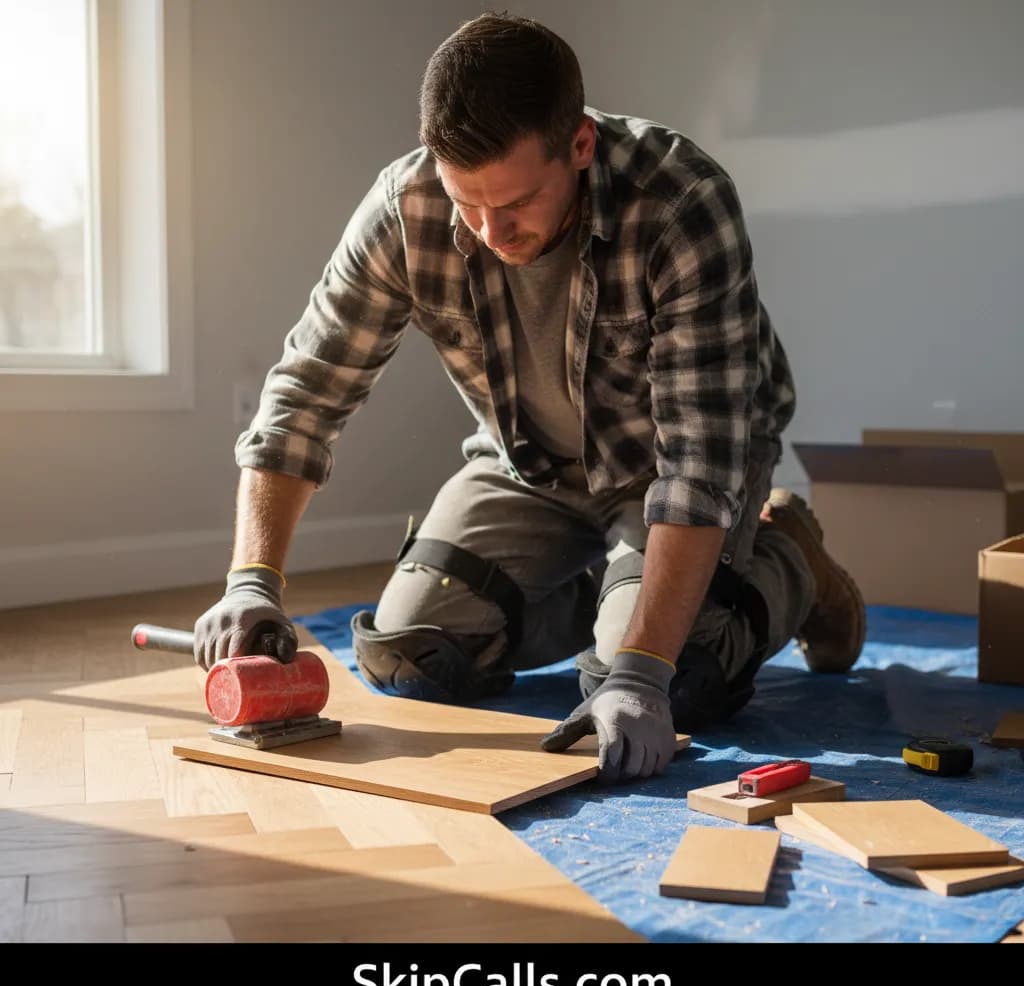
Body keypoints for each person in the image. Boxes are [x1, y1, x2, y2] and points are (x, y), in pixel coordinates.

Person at [193, 12, 866, 784]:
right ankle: (618, 591)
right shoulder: (407, 205)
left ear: (580, 145)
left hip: (670, 474)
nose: (487, 230)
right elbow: (306, 395)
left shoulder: (682, 203)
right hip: (528, 465)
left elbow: (697, 469)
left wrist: (643, 671)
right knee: (410, 653)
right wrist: (252, 580)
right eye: (466, 202)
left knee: (677, 680)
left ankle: (791, 561)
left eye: (514, 203)